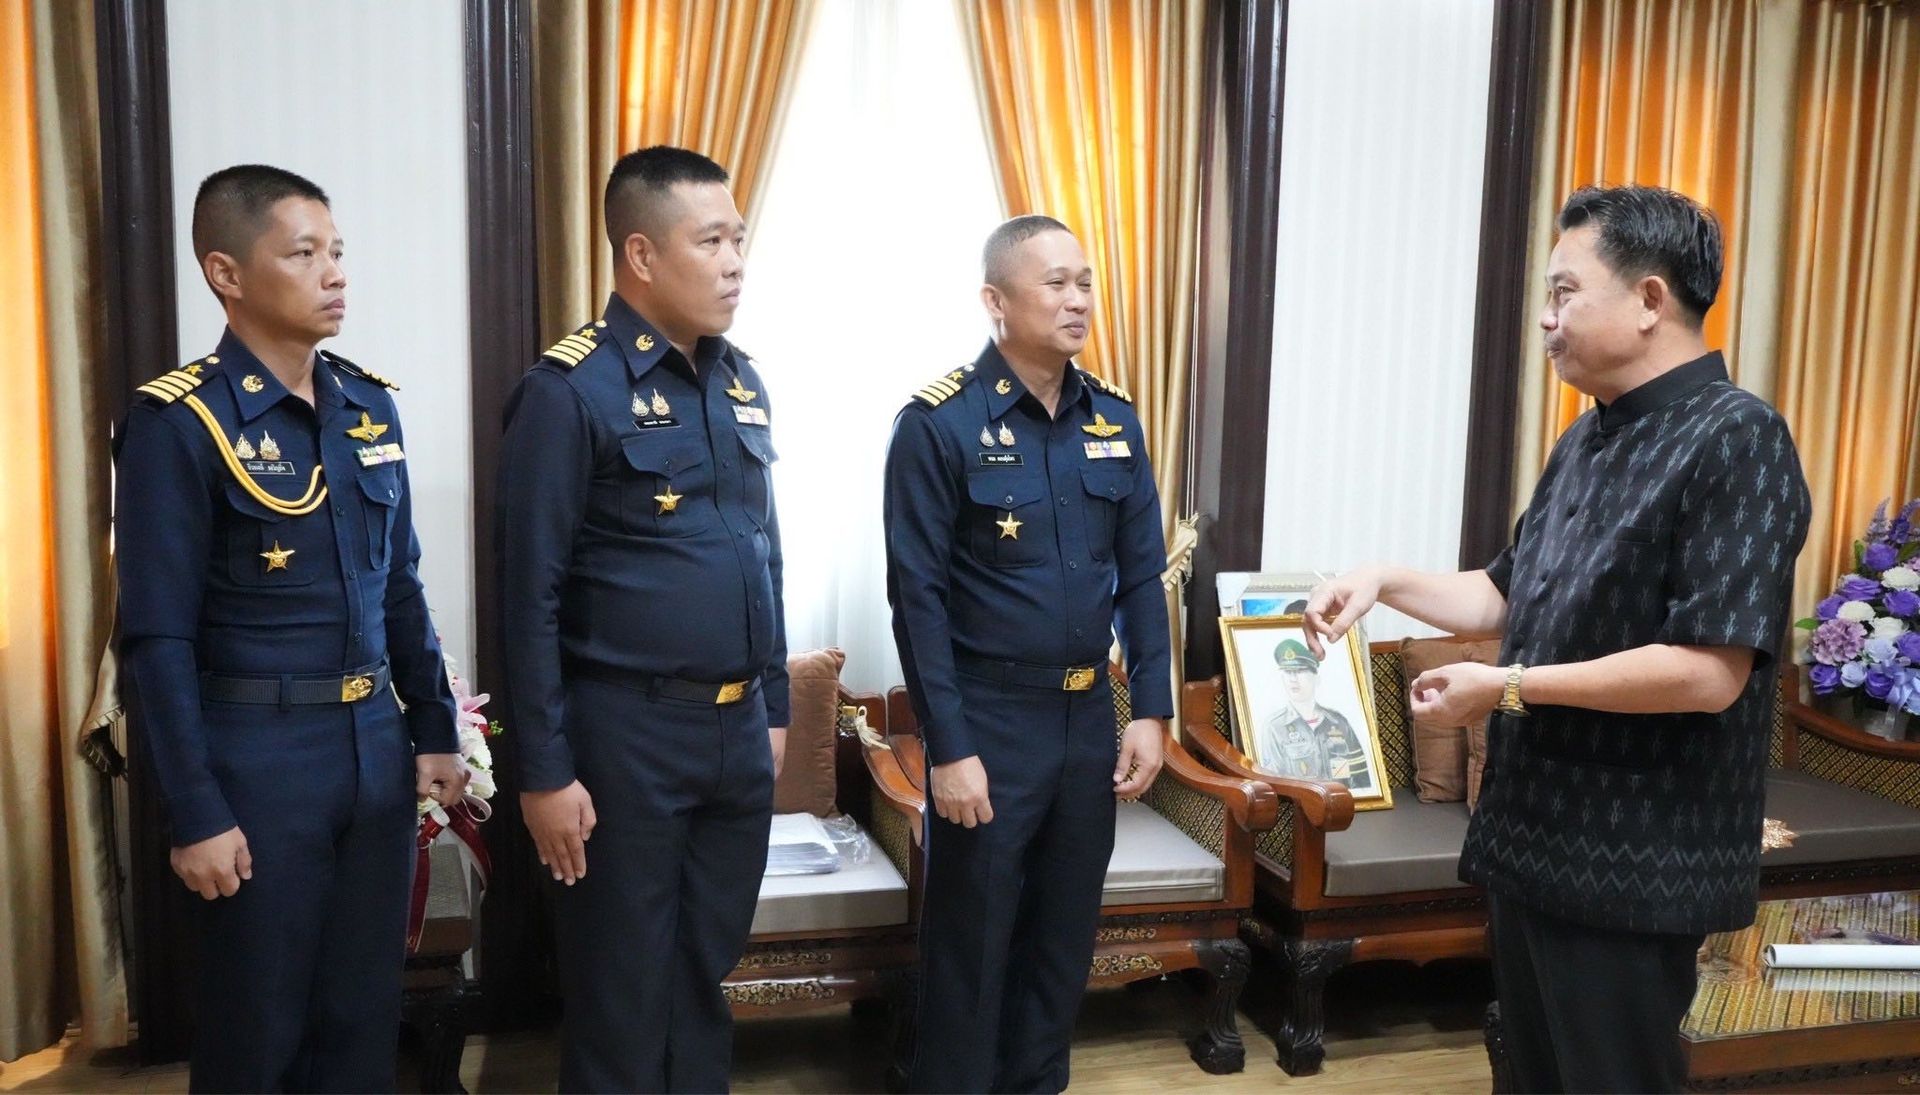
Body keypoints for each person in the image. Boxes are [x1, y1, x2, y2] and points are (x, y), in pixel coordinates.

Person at [1304, 184, 1810, 1093]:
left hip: (1637, 860)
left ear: (1650, 299)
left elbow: (1708, 670)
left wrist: (1506, 687)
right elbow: (1504, 593)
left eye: (1564, 292)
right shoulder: (1586, 439)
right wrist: (1383, 579)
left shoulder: (1739, 438)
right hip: (1535, 840)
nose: (1545, 317)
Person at [115, 164, 469, 1092]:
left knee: (360, 1024)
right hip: (258, 759)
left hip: (372, 751)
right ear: (226, 273)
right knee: (257, 1029)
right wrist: (195, 810)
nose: (335, 273)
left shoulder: (368, 406)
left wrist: (433, 725)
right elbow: (156, 639)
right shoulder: (179, 423)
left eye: (337, 251)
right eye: (304, 254)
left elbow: (399, 583)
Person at [498, 145, 787, 1093]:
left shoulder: (741, 381)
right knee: (621, 990)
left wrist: (775, 707)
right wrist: (544, 771)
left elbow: (764, 554)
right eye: (711, 242)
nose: (735, 262)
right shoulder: (568, 390)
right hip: (627, 732)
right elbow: (528, 598)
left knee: (704, 976)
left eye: (738, 239)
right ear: (642, 255)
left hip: (736, 735)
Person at [884, 214, 1172, 1093]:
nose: (1078, 299)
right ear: (995, 300)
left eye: (1085, 281)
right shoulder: (938, 424)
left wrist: (1152, 709)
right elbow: (917, 600)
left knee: (1060, 943)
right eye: (1056, 283)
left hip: (1087, 719)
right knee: (972, 948)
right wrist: (949, 747)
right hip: (990, 721)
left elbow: (1142, 576)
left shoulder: (1114, 420)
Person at [1254, 639, 1370, 789]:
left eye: (1300, 671)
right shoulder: (1274, 728)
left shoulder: (1339, 722)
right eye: (1288, 672)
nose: (1293, 679)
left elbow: (1361, 780)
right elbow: (1273, 784)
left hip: (1343, 800)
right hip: (1299, 802)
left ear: (1316, 678)